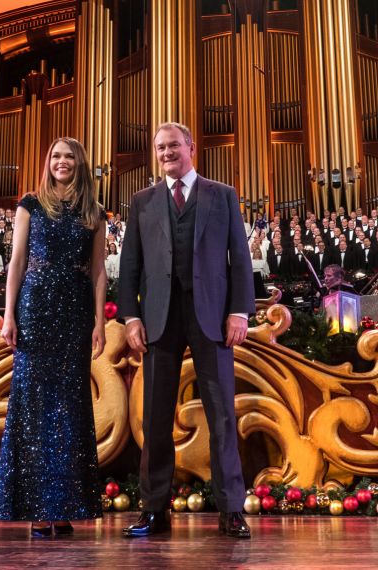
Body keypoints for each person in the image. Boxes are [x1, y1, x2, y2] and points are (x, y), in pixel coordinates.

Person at [118, 122, 253, 539]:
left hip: (211, 315)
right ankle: (155, 510)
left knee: (222, 416)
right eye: (160, 148)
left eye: (173, 145)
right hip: (158, 318)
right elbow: (130, 266)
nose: (166, 153)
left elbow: (240, 258)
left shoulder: (222, 195)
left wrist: (239, 312)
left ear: (191, 147)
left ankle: (231, 510)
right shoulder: (141, 202)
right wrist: (131, 317)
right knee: (155, 418)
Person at [0, 137, 106, 536]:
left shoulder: (94, 210)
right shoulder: (31, 204)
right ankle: (36, 508)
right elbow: (17, 262)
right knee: (34, 407)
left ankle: (64, 507)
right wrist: (9, 316)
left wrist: (100, 323)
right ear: (48, 162)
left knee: (70, 409)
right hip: (36, 307)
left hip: (75, 310)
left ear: (80, 163)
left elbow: (98, 272)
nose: (62, 162)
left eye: (69, 157)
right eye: (56, 156)